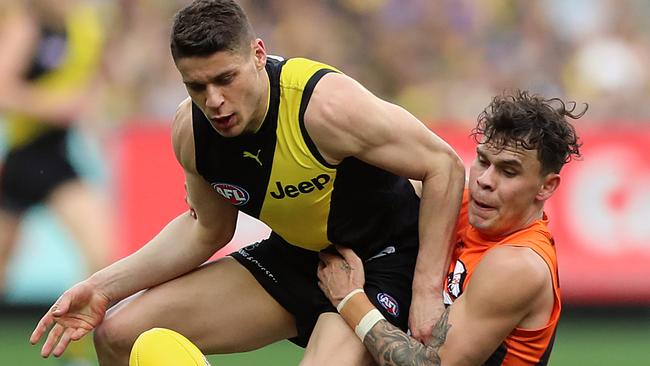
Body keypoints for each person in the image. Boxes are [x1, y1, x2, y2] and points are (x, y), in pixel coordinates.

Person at [30, 0, 466, 365]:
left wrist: (425, 290)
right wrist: (103, 288)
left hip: (382, 261)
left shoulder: (325, 106)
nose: (214, 101)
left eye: (225, 79)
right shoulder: (191, 130)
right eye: (196, 86)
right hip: (298, 258)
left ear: (259, 54)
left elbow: (443, 165)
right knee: (116, 335)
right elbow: (207, 229)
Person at [317, 90, 585, 365]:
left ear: (546, 186)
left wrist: (350, 299)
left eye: (508, 172)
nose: (485, 180)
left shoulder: (518, 264)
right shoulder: (458, 204)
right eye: (483, 161)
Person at [0, 1, 110, 295]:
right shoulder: (25, 28)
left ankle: (75, 335)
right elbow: (3, 91)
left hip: (56, 157)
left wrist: (90, 104)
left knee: (100, 255)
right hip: (22, 157)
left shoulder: (83, 30)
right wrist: (52, 106)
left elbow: (95, 84)